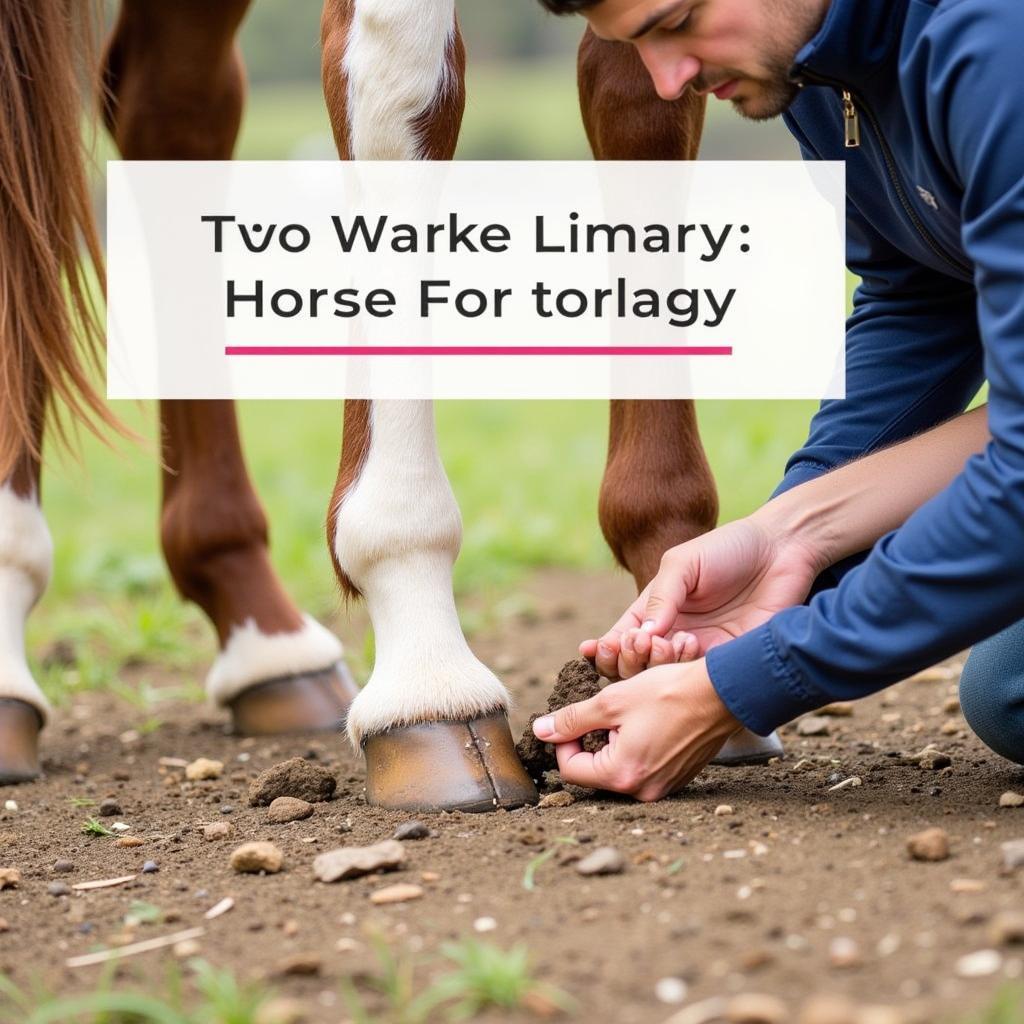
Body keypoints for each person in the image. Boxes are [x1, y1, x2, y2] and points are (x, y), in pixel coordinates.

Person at [529, 0, 1024, 800]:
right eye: (635, 46)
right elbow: (921, 295)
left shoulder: (998, 44)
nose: (668, 81)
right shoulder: (819, 68)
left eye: (677, 19)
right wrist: (785, 540)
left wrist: (742, 683)